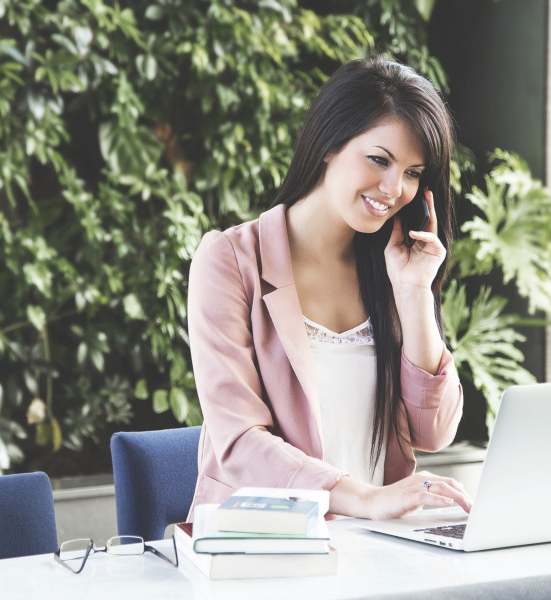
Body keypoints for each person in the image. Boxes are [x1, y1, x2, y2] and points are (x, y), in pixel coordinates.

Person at [186, 55, 473, 521]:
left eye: (413, 172)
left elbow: (434, 431)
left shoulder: (393, 267)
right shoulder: (231, 260)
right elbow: (238, 442)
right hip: (265, 545)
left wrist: (415, 294)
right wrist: (364, 498)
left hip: (379, 550)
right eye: (379, 160)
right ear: (327, 144)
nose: (393, 188)